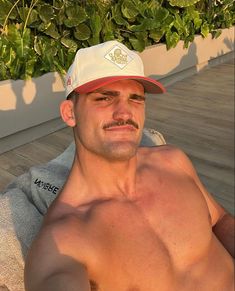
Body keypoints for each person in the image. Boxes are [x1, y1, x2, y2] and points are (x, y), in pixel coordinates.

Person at [24, 40, 234, 291]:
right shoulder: (64, 242)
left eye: (136, 99)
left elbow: (219, 219)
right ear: (70, 113)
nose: (125, 113)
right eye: (104, 98)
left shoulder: (173, 162)